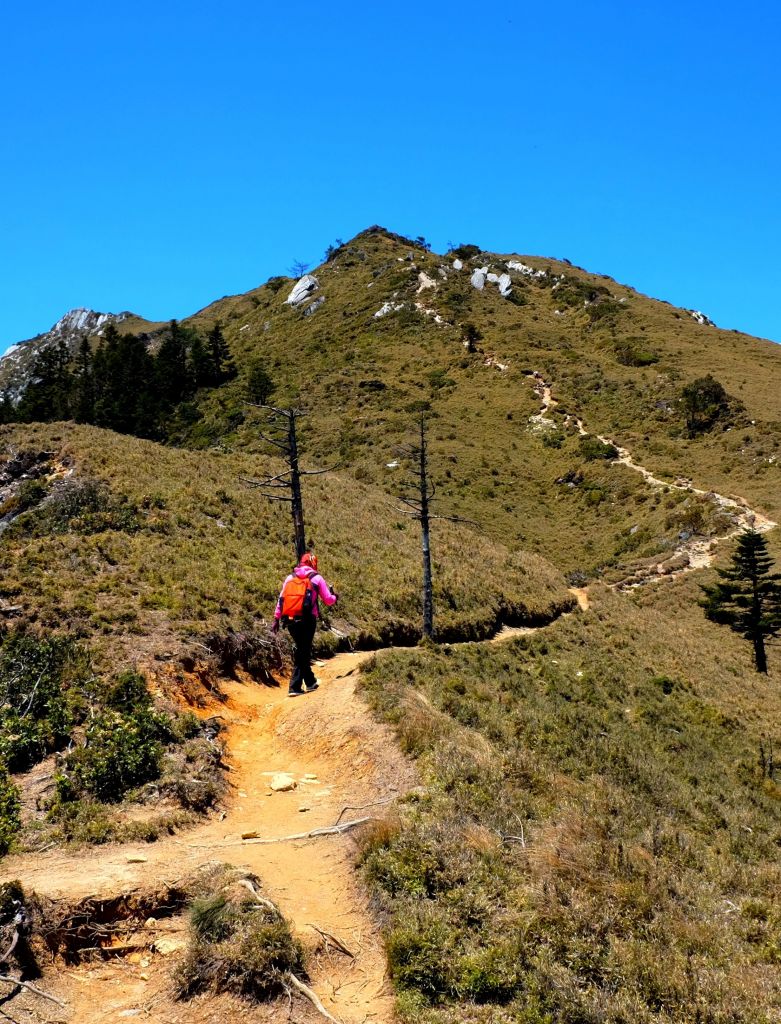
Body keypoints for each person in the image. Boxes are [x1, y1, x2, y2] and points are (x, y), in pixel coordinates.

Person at [272, 552, 338, 696]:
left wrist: (276, 618)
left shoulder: (290, 577)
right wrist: (335, 596)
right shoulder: (317, 578)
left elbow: (281, 599)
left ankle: (310, 681)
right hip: (307, 620)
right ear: (313, 563)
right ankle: (294, 687)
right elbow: (328, 600)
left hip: (289, 620)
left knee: (302, 649)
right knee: (303, 651)